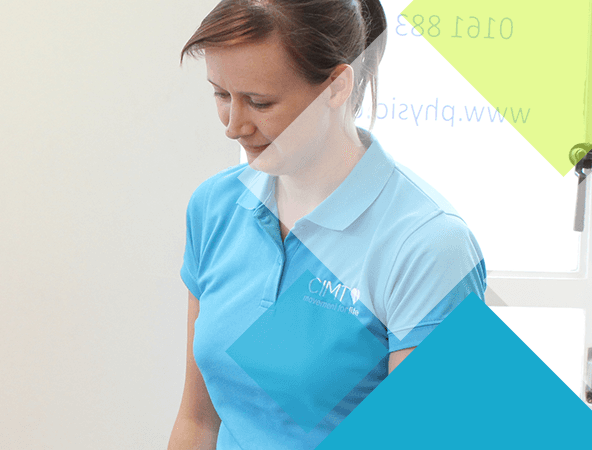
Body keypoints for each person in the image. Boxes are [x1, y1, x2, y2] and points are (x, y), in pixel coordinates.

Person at [167, 1, 486, 449]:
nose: (234, 126)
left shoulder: (427, 245)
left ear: (337, 86)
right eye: (222, 95)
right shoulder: (216, 207)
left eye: (259, 102)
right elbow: (198, 421)